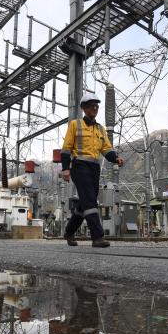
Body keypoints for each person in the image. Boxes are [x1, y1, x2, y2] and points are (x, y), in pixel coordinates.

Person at [60, 93, 124, 247]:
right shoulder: (75, 125)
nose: (94, 108)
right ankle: (97, 236)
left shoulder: (101, 129)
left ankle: (69, 232)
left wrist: (115, 158)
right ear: (83, 108)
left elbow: (106, 148)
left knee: (84, 203)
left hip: (94, 167)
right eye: (91, 105)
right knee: (90, 201)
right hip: (79, 166)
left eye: (96, 106)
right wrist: (65, 169)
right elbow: (66, 148)